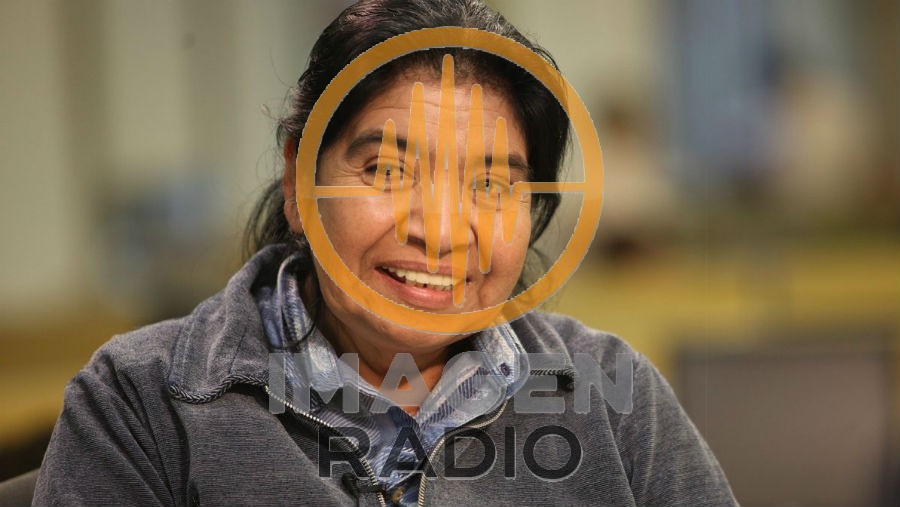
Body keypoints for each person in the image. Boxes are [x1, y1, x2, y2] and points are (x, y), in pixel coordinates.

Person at [34, 1, 738, 505]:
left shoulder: (616, 403)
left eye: (491, 185)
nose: (441, 231)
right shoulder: (141, 406)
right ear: (299, 182)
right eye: (388, 171)